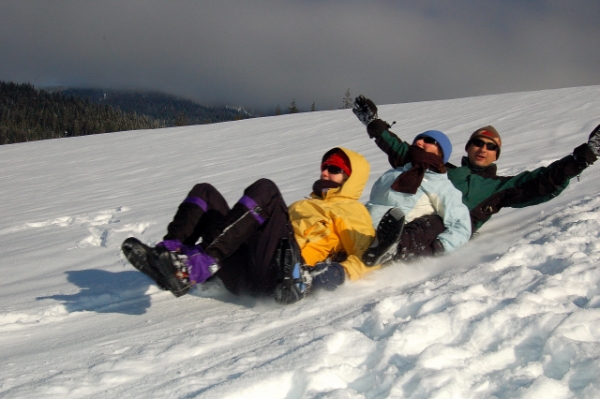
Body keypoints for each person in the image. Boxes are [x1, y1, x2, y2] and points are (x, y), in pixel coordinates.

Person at [122, 147, 377, 304]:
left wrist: (331, 275)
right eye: (324, 167)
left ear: (350, 178)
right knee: (205, 192)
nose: (324, 173)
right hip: (244, 270)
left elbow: (367, 258)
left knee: (266, 189)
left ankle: (199, 264)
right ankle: (170, 259)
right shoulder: (303, 205)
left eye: (334, 169)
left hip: (281, 277)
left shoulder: (353, 211)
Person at [352, 95, 600, 235]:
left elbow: (541, 182)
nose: (483, 149)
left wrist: (584, 156)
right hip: (400, 216)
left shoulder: (496, 188)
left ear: (496, 155)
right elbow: (404, 151)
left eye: (491, 147)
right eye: (478, 143)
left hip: (435, 232)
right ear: (468, 148)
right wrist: (373, 124)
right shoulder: (442, 169)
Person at [362, 129, 471, 265]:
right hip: (363, 229)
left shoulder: (440, 184)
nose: (419, 142)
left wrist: (438, 247)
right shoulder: (394, 173)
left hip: (396, 237)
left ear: (441, 153)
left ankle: (392, 251)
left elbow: (461, 224)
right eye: (417, 140)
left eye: (429, 141)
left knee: (433, 222)